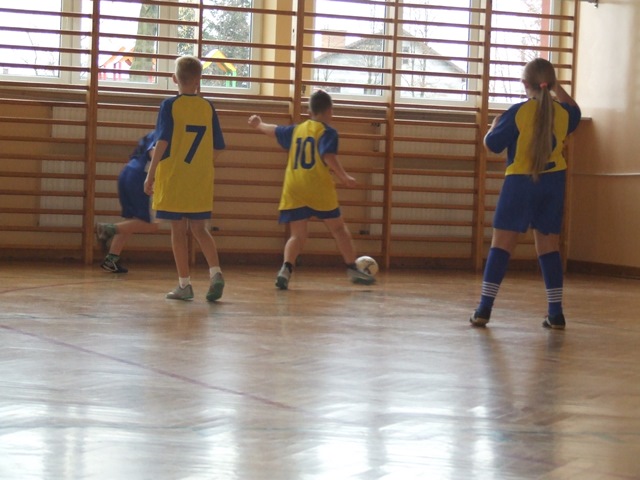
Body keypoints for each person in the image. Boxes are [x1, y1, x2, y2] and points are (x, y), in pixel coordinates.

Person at [470, 58, 581, 330]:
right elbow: (575, 110)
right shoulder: (563, 114)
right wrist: (556, 87)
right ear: (550, 84)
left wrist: (492, 127)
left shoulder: (517, 112)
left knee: (501, 246)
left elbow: (492, 145)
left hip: (520, 182)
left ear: (524, 84)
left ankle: (484, 309)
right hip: (553, 183)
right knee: (549, 247)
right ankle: (555, 313)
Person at [248, 90, 375, 290]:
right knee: (338, 229)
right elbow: (328, 156)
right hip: (318, 187)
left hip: (294, 187)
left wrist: (258, 124)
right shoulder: (327, 132)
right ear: (330, 111)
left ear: (310, 112)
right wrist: (343, 176)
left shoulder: (297, 130)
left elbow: (274, 130)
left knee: (297, 235)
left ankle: (285, 269)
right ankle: (353, 268)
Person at [144, 55, 226, 302]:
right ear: (199, 80)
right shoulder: (207, 107)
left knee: (178, 231)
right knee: (200, 229)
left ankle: (184, 285)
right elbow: (218, 147)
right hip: (200, 177)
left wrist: (150, 174)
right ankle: (216, 272)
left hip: (174, 176)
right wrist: (203, 164)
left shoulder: (170, 105)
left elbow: (162, 141)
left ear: (174, 79)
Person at [96, 132, 159, 273]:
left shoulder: (153, 133)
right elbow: (154, 154)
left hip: (127, 172)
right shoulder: (165, 133)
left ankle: (111, 259)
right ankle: (108, 229)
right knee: (151, 225)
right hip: (139, 177)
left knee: (130, 222)